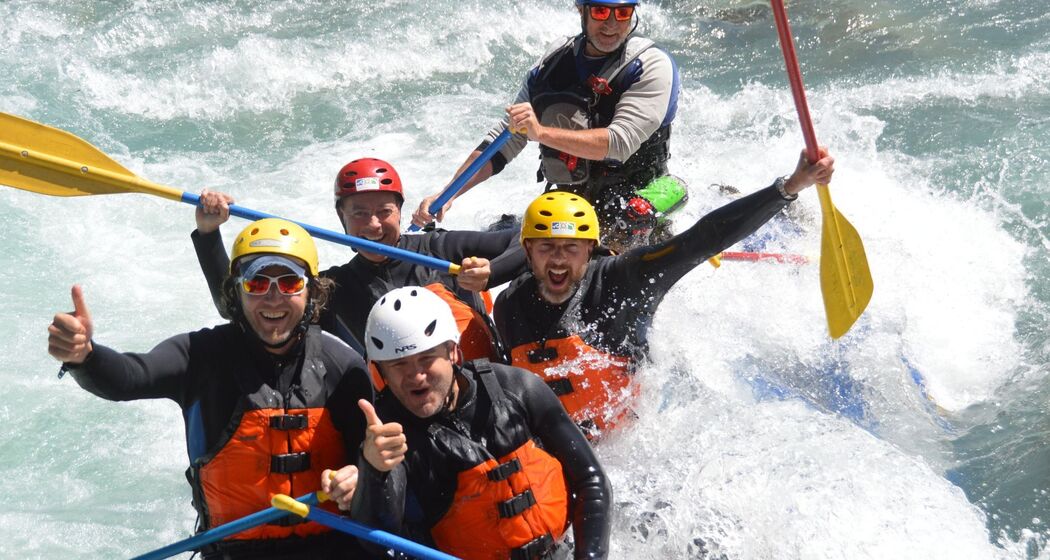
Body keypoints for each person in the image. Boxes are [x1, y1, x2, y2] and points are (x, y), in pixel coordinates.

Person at [47, 219, 375, 559]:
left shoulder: (343, 367)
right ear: (236, 291)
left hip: (336, 549)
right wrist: (85, 356)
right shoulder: (200, 357)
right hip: (231, 553)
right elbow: (129, 377)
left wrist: (361, 477)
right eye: (257, 283)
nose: (273, 298)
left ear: (311, 293)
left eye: (290, 282)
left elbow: (379, 464)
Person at [495, 149, 835, 440]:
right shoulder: (510, 305)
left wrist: (788, 188)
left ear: (589, 250)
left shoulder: (624, 281)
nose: (557, 258)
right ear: (527, 251)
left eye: (571, 248)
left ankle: (780, 214)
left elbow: (700, 240)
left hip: (628, 436)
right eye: (546, 248)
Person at [345, 287, 611, 560]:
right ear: (380, 374)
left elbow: (590, 479)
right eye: (399, 365)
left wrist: (589, 556)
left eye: (426, 358)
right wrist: (374, 472)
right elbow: (378, 543)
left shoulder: (517, 387)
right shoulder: (389, 438)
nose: (416, 376)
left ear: (453, 353)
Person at [193, 158, 526, 365]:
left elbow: (528, 241)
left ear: (400, 211)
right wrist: (208, 235)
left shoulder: (441, 247)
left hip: (485, 387)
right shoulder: (333, 288)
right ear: (342, 219)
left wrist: (491, 273)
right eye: (360, 214)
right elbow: (235, 308)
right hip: (407, 413)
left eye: (384, 211)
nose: (374, 225)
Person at [413, 0, 686, 252]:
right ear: (582, 11)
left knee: (632, 216)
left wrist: (541, 133)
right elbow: (506, 138)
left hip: (637, 200)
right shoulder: (553, 62)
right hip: (572, 205)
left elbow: (618, 144)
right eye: (601, 12)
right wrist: (448, 194)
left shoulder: (650, 65)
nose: (612, 23)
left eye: (623, 13)